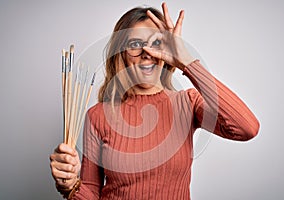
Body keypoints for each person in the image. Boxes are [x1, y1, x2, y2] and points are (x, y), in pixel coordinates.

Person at [50, 2, 260, 199]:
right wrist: (70, 186)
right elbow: (91, 193)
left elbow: (246, 128)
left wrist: (185, 60)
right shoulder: (97, 116)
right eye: (135, 44)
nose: (147, 53)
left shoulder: (187, 103)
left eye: (156, 43)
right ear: (121, 53)